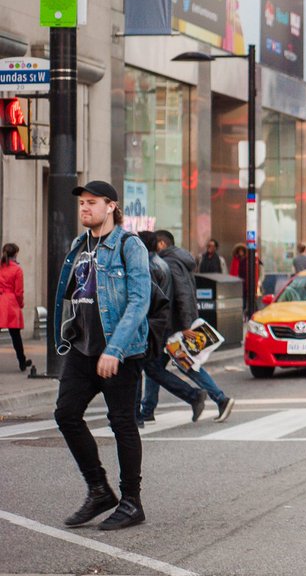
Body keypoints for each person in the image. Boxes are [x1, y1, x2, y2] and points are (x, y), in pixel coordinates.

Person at [52, 181, 150, 530]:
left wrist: (115, 349)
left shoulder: (129, 245)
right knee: (66, 414)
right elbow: (72, 296)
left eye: (92, 202)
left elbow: (139, 300)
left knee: (122, 422)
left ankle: (131, 502)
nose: (84, 208)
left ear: (111, 206)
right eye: (82, 203)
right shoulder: (78, 246)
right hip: (83, 347)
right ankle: (99, 490)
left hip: (119, 350)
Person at [146, 230, 235, 423]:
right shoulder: (179, 260)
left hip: (175, 325)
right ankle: (148, 409)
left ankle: (218, 399)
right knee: (162, 365)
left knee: (171, 365)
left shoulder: (169, 263)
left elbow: (183, 294)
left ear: (161, 244)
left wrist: (185, 325)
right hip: (176, 323)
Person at [135, 231, 205, 427]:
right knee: (152, 368)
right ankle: (146, 411)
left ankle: (137, 415)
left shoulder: (152, 266)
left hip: (153, 325)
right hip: (161, 324)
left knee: (143, 367)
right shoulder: (162, 263)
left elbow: (152, 298)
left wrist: (184, 325)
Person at [0, 243, 32, 374]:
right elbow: (19, 292)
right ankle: (22, 362)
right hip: (11, 303)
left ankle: (23, 361)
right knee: (15, 336)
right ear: (15, 254)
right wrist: (20, 304)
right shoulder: (17, 270)